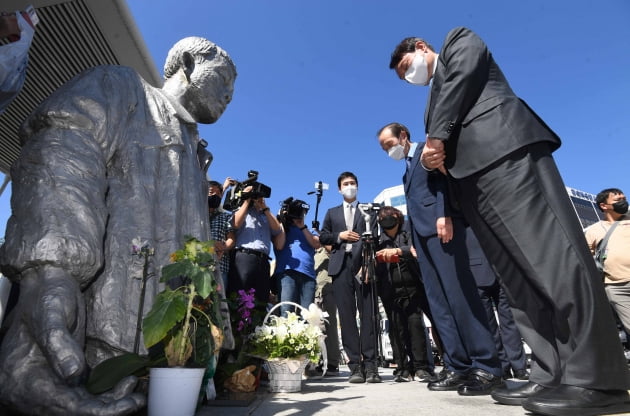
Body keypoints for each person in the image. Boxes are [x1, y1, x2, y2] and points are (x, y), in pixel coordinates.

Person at [388, 27, 630, 415]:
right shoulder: (431, 100)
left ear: (420, 48)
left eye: (406, 66)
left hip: (505, 155)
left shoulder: (457, 41)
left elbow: (464, 77)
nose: (409, 75)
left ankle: (597, 379)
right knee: (519, 280)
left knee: (553, 261)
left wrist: (435, 140)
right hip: (473, 183)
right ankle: (551, 373)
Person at [0, 37, 236, 415]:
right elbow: (62, 152)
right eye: (224, 79)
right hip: (100, 353)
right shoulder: (121, 89)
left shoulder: (196, 152)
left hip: (167, 366)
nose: (229, 95)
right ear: (189, 63)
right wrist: (51, 271)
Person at [377, 122, 502, 396]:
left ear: (403, 136)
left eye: (389, 144)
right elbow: (412, 207)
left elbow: (445, 182)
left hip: (442, 229)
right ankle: (457, 365)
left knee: (460, 296)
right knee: (438, 304)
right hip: (422, 240)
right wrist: (413, 241)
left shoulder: (427, 151)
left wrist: (444, 214)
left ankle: (487, 365)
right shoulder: (407, 170)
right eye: (384, 148)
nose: (388, 151)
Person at [319, 172, 380, 383]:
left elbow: (374, 236)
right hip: (340, 267)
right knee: (346, 318)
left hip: (363, 266)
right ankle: (355, 366)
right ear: (339, 189)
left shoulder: (368, 211)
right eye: (346, 184)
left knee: (368, 315)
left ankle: (371, 366)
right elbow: (323, 236)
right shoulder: (331, 212)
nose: (350, 186)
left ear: (358, 186)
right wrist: (340, 236)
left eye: (353, 183)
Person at [374, 206, 436, 383]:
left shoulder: (408, 229)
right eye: (382, 216)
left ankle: (421, 367)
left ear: (398, 216)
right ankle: (402, 367)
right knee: (396, 329)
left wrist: (399, 251)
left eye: (390, 215)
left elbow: (416, 250)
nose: (386, 218)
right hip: (390, 290)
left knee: (415, 325)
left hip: (413, 287)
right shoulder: (379, 239)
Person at [227, 185, 284, 309]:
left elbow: (277, 229)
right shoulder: (241, 210)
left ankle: (258, 327)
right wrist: (246, 200)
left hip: (263, 261)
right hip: (244, 257)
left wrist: (264, 207)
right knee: (239, 297)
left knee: (261, 299)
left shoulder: (266, 215)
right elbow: (235, 224)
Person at [585, 188, 630, 338]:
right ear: (604, 206)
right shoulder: (593, 231)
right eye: (618, 200)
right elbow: (585, 259)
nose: (623, 202)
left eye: (624, 198)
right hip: (616, 287)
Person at [273, 197, 320, 316]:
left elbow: (316, 244)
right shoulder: (282, 229)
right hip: (286, 272)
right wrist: (282, 220)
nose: (299, 215)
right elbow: (279, 245)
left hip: (308, 275)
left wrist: (302, 226)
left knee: (307, 315)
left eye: (303, 213)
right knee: (286, 311)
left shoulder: (309, 231)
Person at [311, 246, 341, 376]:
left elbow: (334, 253)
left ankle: (333, 363)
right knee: (315, 329)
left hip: (328, 292)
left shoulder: (325, 250)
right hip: (313, 293)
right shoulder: (309, 252)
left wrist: (323, 242)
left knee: (330, 326)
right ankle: (317, 362)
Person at [208, 179, 236, 289]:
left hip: (220, 268)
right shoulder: (196, 215)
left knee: (218, 302)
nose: (215, 195)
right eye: (211, 192)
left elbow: (231, 239)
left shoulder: (225, 217)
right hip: (197, 266)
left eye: (218, 194)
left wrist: (222, 247)